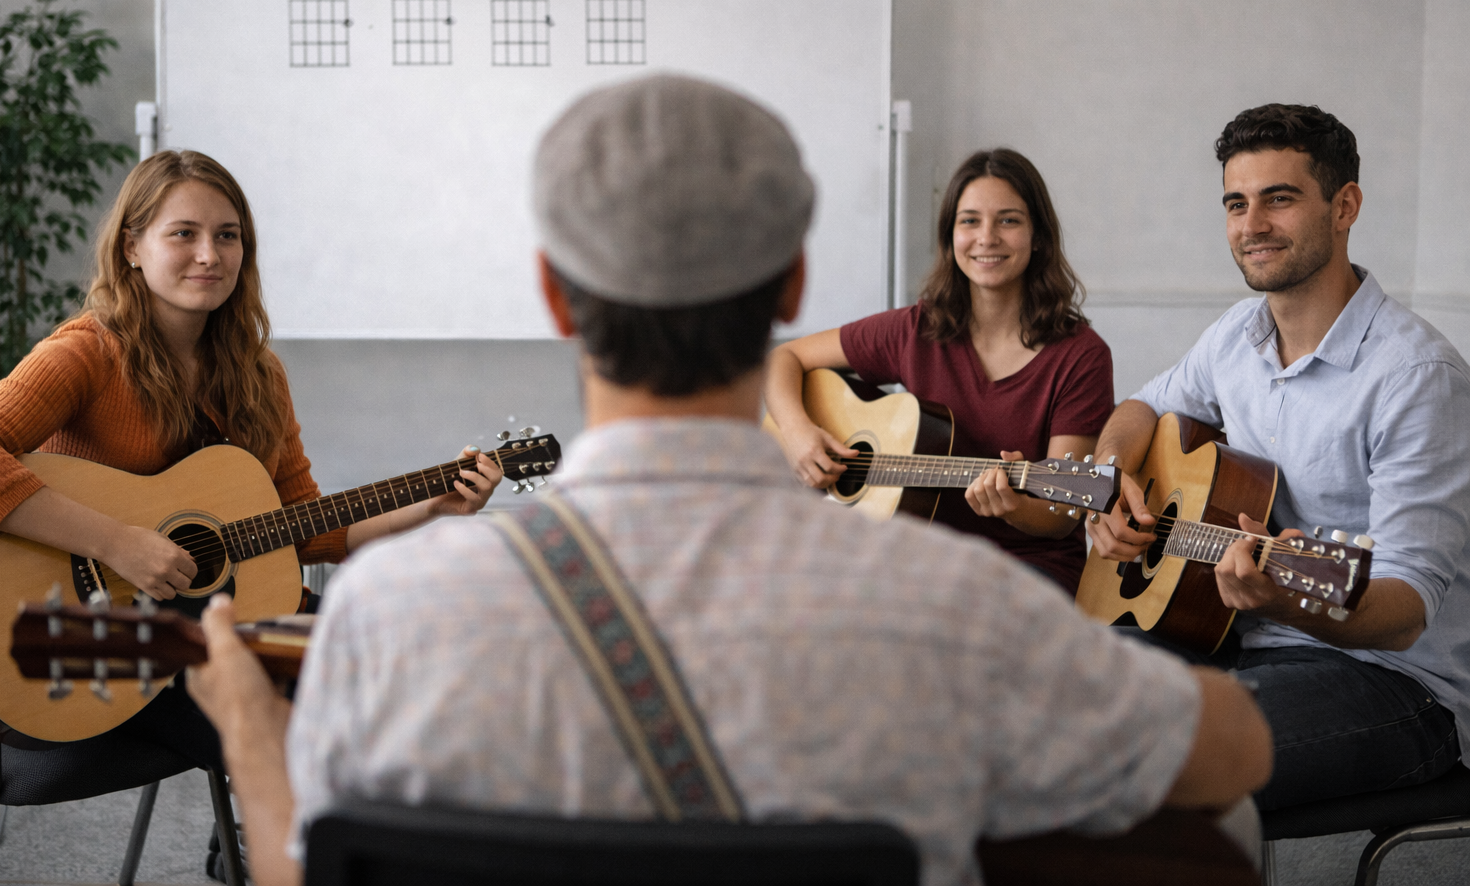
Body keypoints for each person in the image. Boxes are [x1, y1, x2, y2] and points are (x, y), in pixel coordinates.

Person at [186, 74, 1269, 886]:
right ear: (792, 282)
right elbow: (1237, 750)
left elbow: (302, 869)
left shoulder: (387, 611)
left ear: (555, 299)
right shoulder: (962, 604)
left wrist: (246, 729)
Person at [0, 149, 503, 772]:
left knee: (415, 677)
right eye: (184, 233)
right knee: (327, 736)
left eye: (228, 236)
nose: (210, 254)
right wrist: (119, 544)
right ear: (132, 247)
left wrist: (430, 504)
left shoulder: (259, 375)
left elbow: (302, 528)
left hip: (210, 628)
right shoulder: (84, 355)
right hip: (92, 642)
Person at [1087, 103, 1470, 811]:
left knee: (1138, 768)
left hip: (1396, 681)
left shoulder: (1417, 378)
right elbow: (1141, 407)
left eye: (1279, 199)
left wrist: (1286, 596)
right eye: (1236, 203)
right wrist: (1111, 478)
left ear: (1344, 205)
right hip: (1239, 633)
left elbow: (1405, 610)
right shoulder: (1237, 334)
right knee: (1045, 698)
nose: (1251, 225)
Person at [764, 149, 1112, 593]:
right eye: (969, 221)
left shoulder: (1081, 355)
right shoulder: (915, 330)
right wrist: (797, 435)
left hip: (1027, 569)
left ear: (1038, 236)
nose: (987, 237)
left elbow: (1058, 517)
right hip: (915, 558)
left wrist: (1011, 506)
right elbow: (784, 358)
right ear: (950, 236)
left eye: (1008, 220)